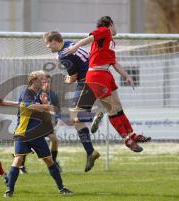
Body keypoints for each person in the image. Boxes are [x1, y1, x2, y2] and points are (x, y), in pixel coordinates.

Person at [64, 16, 151, 152]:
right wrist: (76, 46)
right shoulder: (104, 30)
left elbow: (114, 62)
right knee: (112, 109)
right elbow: (90, 37)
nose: (116, 29)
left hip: (106, 74)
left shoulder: (110, 42)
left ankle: (132, 135)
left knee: (117, 106)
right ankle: (126, 140)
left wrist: (126, 76)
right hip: (97, 75)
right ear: (111, 24)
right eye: (115, 26)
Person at [4, 70, 72, 197]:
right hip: (23, 133)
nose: (44, 81)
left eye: (45, 79)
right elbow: (30, 107)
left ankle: (61, 188)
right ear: (33, 80)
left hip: (37, 134)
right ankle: (9, 189)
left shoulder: (42, 94)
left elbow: (45, 116)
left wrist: (46, 105)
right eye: (41, 79)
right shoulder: (26, 92)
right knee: (18, 159)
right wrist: (47, 106)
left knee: (49, 160)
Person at [44, 31, 101, 172]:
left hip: (86, 82)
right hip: (97, 76)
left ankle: (96, 116)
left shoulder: (64, 55)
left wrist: (66, 79)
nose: (47, 47)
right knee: (77, 118)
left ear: (55, 41)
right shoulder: (70, 43)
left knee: (74, 116)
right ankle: (90, 152)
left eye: (48, 43)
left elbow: (73, 77)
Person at [18, 74, 62, 174]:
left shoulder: (53, 95)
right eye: (45, 82)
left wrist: (55, 120)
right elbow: (30, 107)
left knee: (54, 139)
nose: (47, 84)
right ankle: (21, 165)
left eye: (49, 82)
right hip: (33, 123)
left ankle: (53, 161)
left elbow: (57, 110)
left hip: (46, 123)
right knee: (26, 143)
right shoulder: (35, 92)